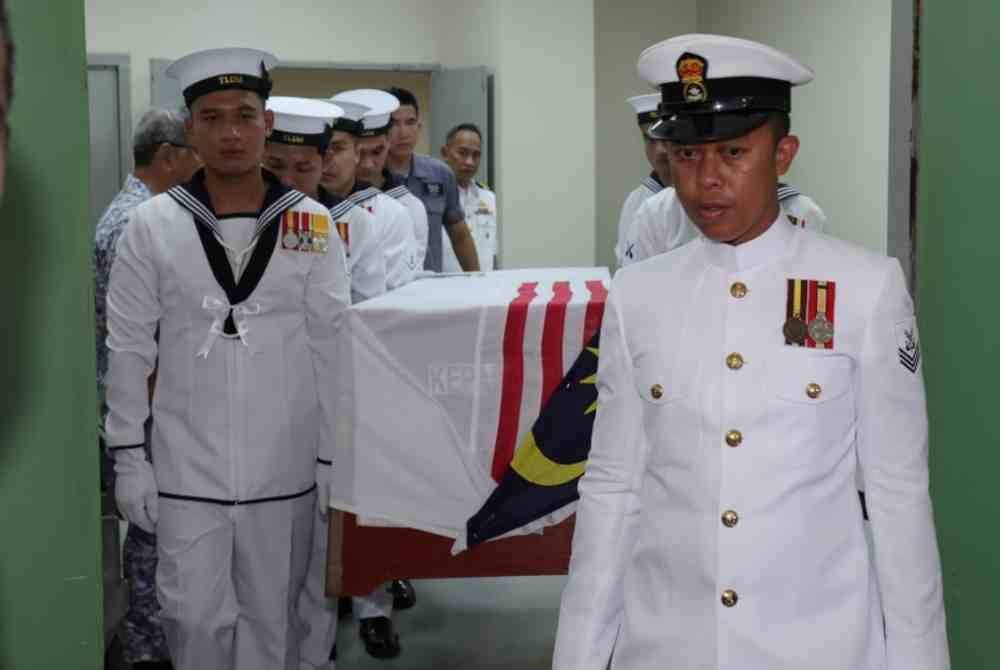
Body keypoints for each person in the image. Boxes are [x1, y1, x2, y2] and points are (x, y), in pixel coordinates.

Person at [554, 34, 949, 670]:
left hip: (816, 644)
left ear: (783, 153)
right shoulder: (638, 295)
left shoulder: (864, 289)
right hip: (666, 644)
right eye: (686, 154)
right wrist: (577, 654)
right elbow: (613, 487)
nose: (706, 180)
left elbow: (897, 495)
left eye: (734, 152)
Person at [103, 48, 351, 670]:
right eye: (212, 117)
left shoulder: (311, 224)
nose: (231, 131)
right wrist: (128, 454)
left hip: (285, 471)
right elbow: (128, 347)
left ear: (265, 123)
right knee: (192, 625)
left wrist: (333, 458)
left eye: (244, 114)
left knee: (274, 627)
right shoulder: (152, 226)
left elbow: (333, 347)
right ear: (191, 131)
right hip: (187, 472)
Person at [93, 107, 200, 670]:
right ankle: (145, 655)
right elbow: (135, 341)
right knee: (150, 546)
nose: (199, 166)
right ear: (168, 157)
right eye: (193, 153)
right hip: (144, 415)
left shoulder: (138, 214)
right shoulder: (137, 224)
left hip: (149, 409)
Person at [264, 96, 386, 303]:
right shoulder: (239, 211)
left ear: (326, 161)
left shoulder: (354, 222)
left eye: (303, 168)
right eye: (275, 166)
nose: (286, 180)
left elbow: (368, 306)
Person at [320, 97, 417, 291]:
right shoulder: (295, 209)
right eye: (321, 149)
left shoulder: (390, 214)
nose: (327, 160)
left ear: (356, 152)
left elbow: (395, 295)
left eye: (338, 148)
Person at [620, 179, 826, 266]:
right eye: (690, 153)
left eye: (734, 152)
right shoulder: (658, 210)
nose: (710, 175)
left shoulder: (802, 212)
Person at [333, 89, 430, 271]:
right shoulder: (314, 197)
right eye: (360, 153)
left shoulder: (409, 208)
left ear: (388, 143)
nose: (368, 165)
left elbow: (405, 286)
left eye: (377, 152)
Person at [384, 86, 479, 272]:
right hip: (384, 291)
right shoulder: (368, 176)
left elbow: (460, 236)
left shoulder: (440, 174)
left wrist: (478, 281)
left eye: (410, 122)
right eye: (394, 124)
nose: (403, 133)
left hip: (429, 289)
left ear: (419, 127)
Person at [613, 93, 671, 267]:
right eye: (650, 139)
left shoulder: (711, 193)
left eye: (667, 137)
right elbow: (626, 272)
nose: (660, 149)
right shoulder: (637, 201)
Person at [440, 122, 496, 272]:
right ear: (445, 153)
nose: (470, 161)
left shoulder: (489, 199)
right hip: (443, 289)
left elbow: (494, 254)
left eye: (476, 155)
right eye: (463, 153)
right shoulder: (433, 198)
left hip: (483, 289)